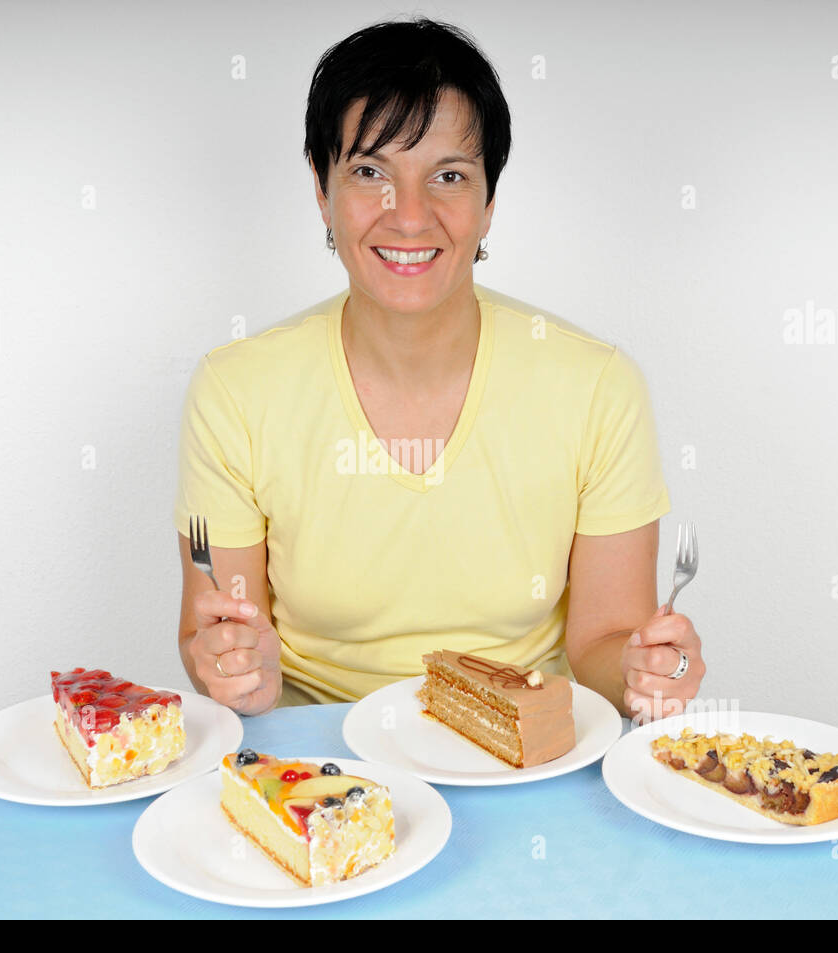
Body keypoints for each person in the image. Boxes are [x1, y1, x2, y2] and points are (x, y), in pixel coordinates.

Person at [176, 17, 705, 722]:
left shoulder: (597, 387)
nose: (410, 215)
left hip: (524, 756)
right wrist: (238, 669)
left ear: (489, 203)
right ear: (320, 187)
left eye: (449, 177)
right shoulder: (236, 390)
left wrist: (642, 670)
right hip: (314, 759)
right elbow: (212, 633)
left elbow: (604, 643)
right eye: (370, 172)